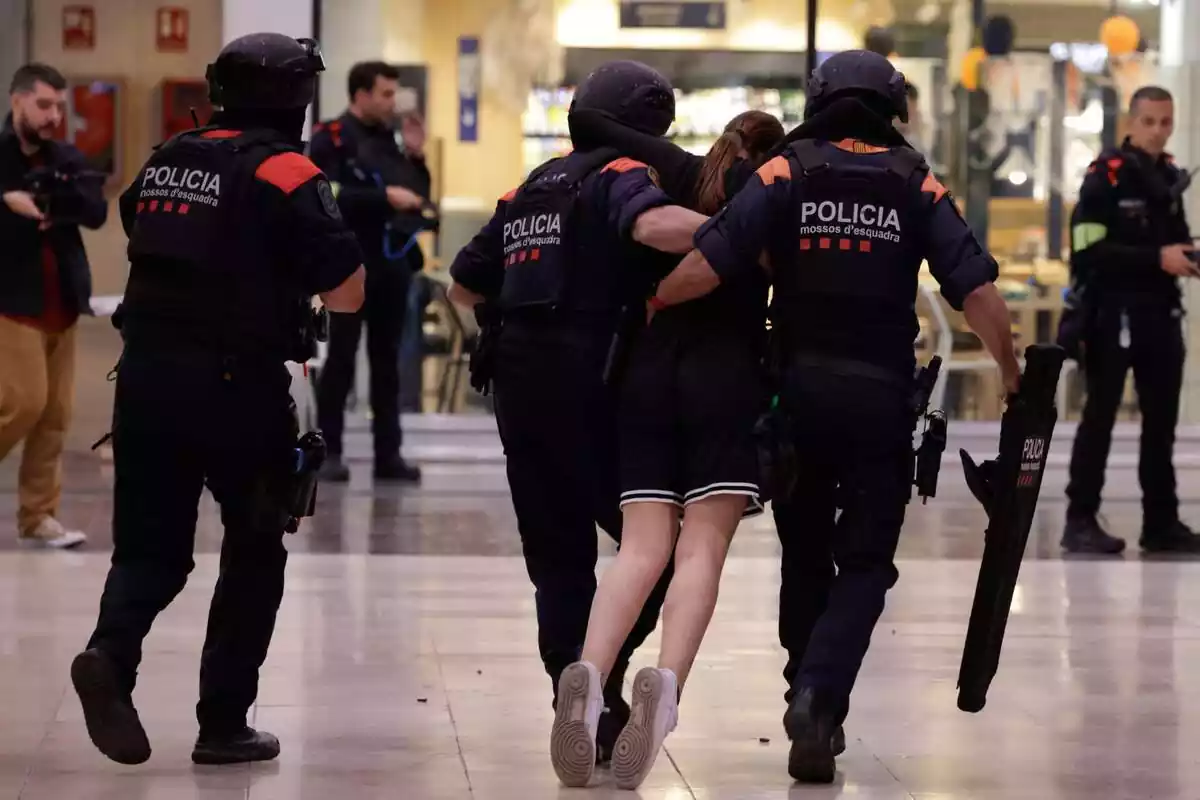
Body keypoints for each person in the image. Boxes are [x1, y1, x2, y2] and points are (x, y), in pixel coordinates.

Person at [645, 50, 1019, 783]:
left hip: (797, 395)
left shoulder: (790, 169)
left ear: (819, 98)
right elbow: (974, 290)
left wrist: (652, 303)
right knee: (868, 563)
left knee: (806, 551)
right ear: (892, 105)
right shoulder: (915, 180)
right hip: (881, 398)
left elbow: (713, 257)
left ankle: (802, 693)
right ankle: (821, 698)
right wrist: (1011, 373)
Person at [69, 33, 366, 767]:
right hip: (240, 389)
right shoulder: (289, 172)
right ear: (295, 100)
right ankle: (223, 723)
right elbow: (349, 291)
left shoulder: (171, 157)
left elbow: (137, 220)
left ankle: (109, 655)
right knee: (255, 550)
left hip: (144, 382)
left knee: (150, 549)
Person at [447, 60, 706, 780]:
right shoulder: (623, 174)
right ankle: (598, 676)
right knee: (655, 552)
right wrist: (732, 231)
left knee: (556, 562)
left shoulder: (530, 185)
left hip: (520, 397)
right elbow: (654, 227)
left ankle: (580, 692)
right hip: (597, 392)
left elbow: (465, 284)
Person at [552, 108, 783, 789]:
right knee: (700, 549)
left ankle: (590, 674)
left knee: (641, 548)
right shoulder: (770, 191)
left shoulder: (681, 173)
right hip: (726, 381)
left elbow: (594, 118)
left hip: (648, 377)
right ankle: (667, 685)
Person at [1061, 85, 1200, 555]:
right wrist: (1156, 258)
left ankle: (1161, 524)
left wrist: (1186, 256)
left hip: (1161, 315)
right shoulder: (1106, 177)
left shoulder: (1170, 177)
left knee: (1161, 423)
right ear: (1131, 122)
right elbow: (1087, 248)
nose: (1159, 132)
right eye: (1150, 122)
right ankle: (1079, 518)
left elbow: (1173, 241)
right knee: (1099, 417)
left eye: (1166, 122)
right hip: (1110, 313)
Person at [0, 63, 107, 549]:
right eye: (44, 105)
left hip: (60, 300)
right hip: (11, 300)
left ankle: (38, 515)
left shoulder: (65, 157)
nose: (53, 116)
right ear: (16, 100)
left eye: (59, 107)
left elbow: (95, 210)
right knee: (22, 403)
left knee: (55, 416)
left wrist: (52, 195)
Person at [310, 61, 429, 484]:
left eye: (393, 93)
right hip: (347, 266)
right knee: (339, 361)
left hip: (391, 266)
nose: (392, 101)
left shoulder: (391, 142)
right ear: (360, 94)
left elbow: (416, 197)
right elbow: (325, 193)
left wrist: (417, 157)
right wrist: (383, 198)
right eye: (385, 93)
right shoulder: (332, 138)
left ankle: (388, 455)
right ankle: (329, 452)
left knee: (387, 363)